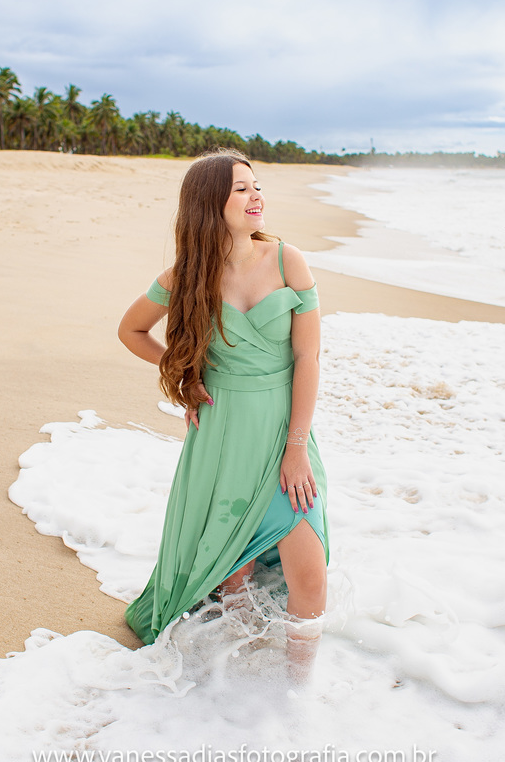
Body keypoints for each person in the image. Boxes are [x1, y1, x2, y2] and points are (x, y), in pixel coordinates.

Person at [118, 149, 328, 681]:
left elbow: (308, 358)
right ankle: (231, 683)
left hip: (283, 433)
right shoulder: (184, 275)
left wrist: (297, 449)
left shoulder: (287, 260)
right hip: (221, 435)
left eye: (257, 186)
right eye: (241, 188)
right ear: (210, 202)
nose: (256, 196)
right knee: (231, 572)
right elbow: (131, 331)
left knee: (310, 576)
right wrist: (186, 377)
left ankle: (298, 694)